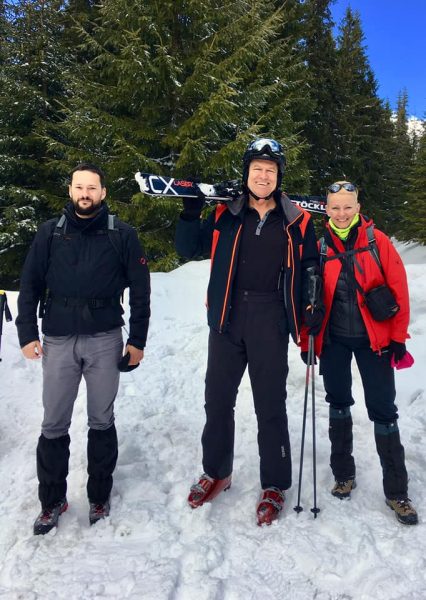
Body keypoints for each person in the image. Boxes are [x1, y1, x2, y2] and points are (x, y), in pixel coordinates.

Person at [175, 138, 323, 525]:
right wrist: (190, 213)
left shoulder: (297, 221)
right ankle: (216, 472)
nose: (263, 176)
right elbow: (188, 250)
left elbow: (311, 268)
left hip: (271, 317)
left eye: (270, 170)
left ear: (279, 177)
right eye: (257, 169)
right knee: (217, 400)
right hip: (227, 316)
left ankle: (274, 484)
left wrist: (310, 313)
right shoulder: (226, 213)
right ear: (246, 174)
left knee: (270, 404)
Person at [16, 163, 150, 534]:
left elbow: (141, 291)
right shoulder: (50, 233)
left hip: (105, 338)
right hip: (58, 338)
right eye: (79, 187)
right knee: (53, 422)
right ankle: (51, 501)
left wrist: (137, 340)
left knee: (101, 419)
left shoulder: (122, 235)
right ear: (71, 191)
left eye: (92, 187)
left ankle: (99, 496)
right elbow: (29, 284)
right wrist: (27, 333)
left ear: (103, 192)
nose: (85, 193)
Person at [302, 181, 418, 525]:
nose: (341, 213)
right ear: (326, 209)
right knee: (338, 404)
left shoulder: (377, 242)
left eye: (347, 207)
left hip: (375, 341)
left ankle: (397, 492)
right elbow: (309, 298)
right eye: (335, 207)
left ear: (358, 207)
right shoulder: (320, 247)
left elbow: (399, 289)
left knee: (383, 411)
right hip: (334, 341)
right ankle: (343, 474)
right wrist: (307, 341)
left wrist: (398, 337)